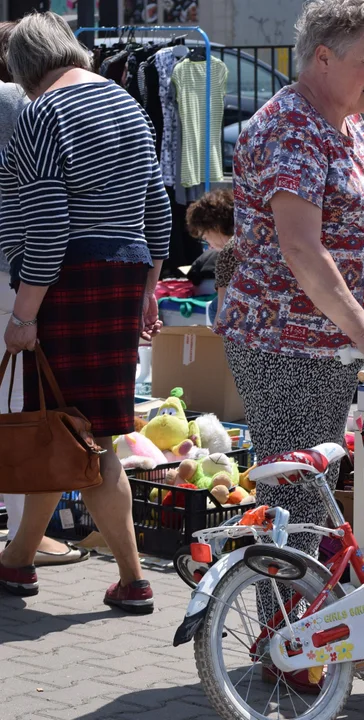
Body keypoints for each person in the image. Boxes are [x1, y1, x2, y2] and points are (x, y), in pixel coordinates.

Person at [214, 0, 364, 686]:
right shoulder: (290, 128)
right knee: (298, 496)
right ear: (322, 56)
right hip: (286, 340)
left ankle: (312, 633)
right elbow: (301, 248)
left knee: (313, 491)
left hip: (330, 343)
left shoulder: (347, 122)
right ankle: (291, 648)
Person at [0, 11, 169, 608]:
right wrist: (149, 285)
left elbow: (46, 226)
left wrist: (23, 314)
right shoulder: (126, 103)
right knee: (70, 426)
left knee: (88, 436)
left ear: (23, 68)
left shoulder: (41, 113)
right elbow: (158, 207)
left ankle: (132, 578)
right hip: (123, 272)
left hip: (71, 279)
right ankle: (18, 560)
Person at [0, 20, 88, 568]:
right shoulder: (19, 103)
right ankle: (24, 536)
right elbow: (48, 206)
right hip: (13, 268)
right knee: (18, 402)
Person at [184, 188, 234, 297]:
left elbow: (221, 310)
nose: (208, 243)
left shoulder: (227, 257)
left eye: (205, 236)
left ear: (215, 227)